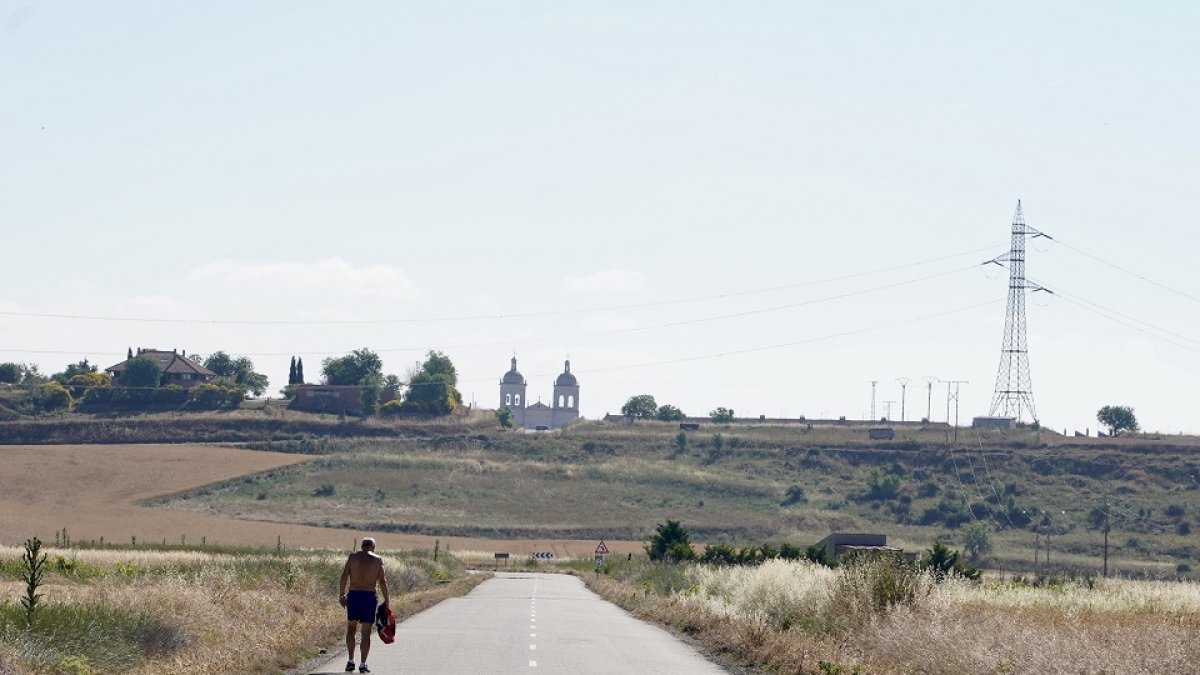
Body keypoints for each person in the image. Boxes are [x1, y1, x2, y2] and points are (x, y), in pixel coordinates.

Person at [339, 537, 390, 674]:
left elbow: (344, 576)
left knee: (351, 629)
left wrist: (341, 595)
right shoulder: (377, 560)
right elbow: (383, 582)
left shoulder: (352, 557)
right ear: (373, 547)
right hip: (368, 597)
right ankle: (362, 664)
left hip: (354, 596)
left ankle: (350, 661)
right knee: (366, 632)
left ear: (362, 546)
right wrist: (387, 600)